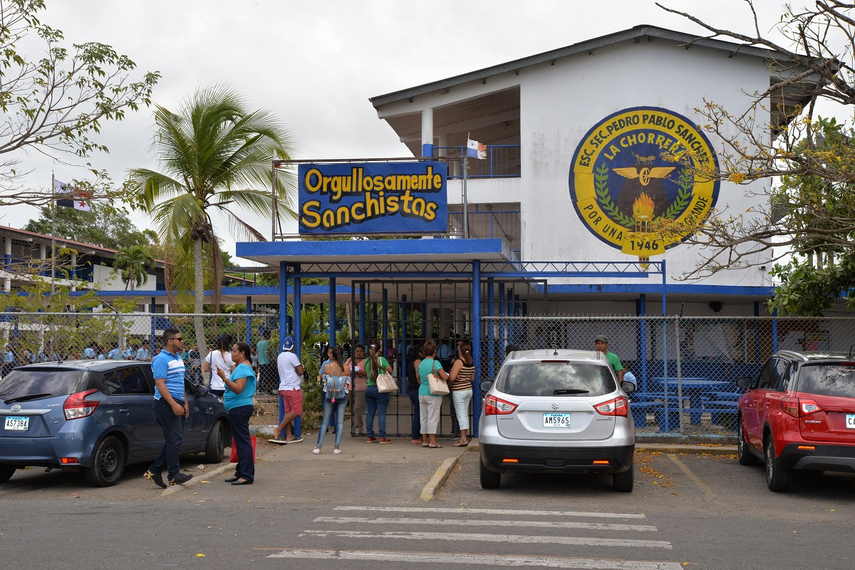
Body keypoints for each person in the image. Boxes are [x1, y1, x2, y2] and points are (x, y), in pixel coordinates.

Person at [143, 328, 192, 488]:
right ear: (170, 341)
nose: (182, 342)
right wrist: (173, 404)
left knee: (173, 440)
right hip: (165, 403)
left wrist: (184, 402)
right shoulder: (160, 359)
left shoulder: (178, 357)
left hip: (177, 401)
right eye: (179, 339)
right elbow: (160, 384)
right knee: (175, 439)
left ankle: (154, 470)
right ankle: (173, 475)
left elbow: (179, 382)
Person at [218, 341, 256, 486]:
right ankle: (240, 471)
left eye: (234, 351)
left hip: (239, 407)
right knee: (240, 440)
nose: (231, 354)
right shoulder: (243, 367)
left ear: (242, 353)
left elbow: (239, 389)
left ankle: (247, 475)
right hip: (238, 407)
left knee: (243, 441)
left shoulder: (242, 368)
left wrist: (224, 377)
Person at [313, 346, 350, 455]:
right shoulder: (346, 368)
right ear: (342, 355)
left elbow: (325, 381)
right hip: (342, 396)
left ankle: (318, 447)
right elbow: (348, 384)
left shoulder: (327, 367)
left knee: (325, 422)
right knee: (340, 422)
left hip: (329, 396)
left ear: (332, 355)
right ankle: (336, 447)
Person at [270, 335, 304, 444]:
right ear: (293, 346)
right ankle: (279, 429)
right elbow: (301, 371)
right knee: (297, 411)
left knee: (288, 412)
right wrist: (297, 369)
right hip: (292, 387)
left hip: (283, 387)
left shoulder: (280, 356)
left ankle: (289, 436)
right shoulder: (292, 356)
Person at [417, 339, 449, 448]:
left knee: (423, 417)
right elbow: (445, 377)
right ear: (434, 351)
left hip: (422, 392)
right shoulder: (435, 363)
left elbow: (418, 377)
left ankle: (424, 440)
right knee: (433, 417)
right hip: (433, 393)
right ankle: (432, 441)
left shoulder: (421, 363)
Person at [364, 340, 393, 444]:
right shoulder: (382, 359)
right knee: (381, 414)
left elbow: (366, 372)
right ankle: (382, 437)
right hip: (381, 389)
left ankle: (369, 436)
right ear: (379, 350)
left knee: (370, 413)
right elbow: (390, 370)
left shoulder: (367, 361)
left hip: (369, 388)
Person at [447, 340, 475, 447]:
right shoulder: (471, 362)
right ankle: (464, 437)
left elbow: (451, 378)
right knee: (464, 413)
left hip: (459, 391)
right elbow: (472, 379)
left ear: (460, 351)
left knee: (460, 414)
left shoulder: (459, 362)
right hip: (468, 390)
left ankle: (463, 439)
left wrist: (450, 375)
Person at [345, 344, 367, 435]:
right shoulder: (350, 360)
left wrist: (361, 372)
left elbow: (369, 373)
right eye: (357, 351)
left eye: (360, 351)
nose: (358, 353)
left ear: (363, 352)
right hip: (351, 387)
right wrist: (349, 372)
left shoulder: (365, 361)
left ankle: (358, 426)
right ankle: (357, 425)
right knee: (352, 408)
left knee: (357, 407)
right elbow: (344, 370)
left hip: (361, 387)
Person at [408, 346, 425, 444]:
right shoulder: (417, 361)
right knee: (419, 414)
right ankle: (416, 436)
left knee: (418, 412)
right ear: (419, 353)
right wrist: (422, 385)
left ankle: (417, 436)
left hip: (412, 389)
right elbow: (418, 376)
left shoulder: (411, 361)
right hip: (416, 389)